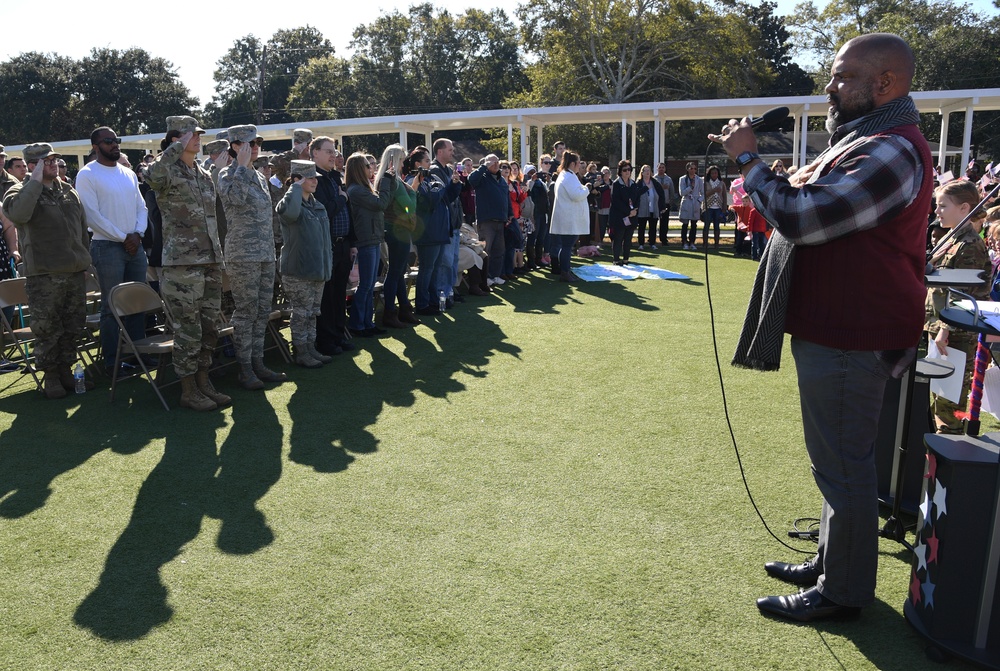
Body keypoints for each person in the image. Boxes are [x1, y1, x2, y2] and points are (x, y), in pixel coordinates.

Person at [715, 33, 934, 622]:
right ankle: (832, 561)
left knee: (843, 466)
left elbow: (805, 219)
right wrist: (771, 177)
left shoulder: (890, 148)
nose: (831, 88)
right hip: (844, 326)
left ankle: (842, 592)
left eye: (843, 77)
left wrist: (748, 162)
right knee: (839, 460)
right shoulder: (867, 141)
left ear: (884, 84)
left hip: (851, 331)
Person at [147, 115, 229, 411]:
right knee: (187, 329)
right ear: (174, 139)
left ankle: (203, 381)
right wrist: (173, 147)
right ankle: (187, 389)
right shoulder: (165, 171)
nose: (198, 137)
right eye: (191, 134)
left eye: (198, 133)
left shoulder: (202, 174)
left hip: (209, 260)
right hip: (182, 265)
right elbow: (152, 177)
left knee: (210, 327)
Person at [2, 143, 93, 399]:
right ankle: (51, 375)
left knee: (72, 326)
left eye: (54, 160)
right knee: (47, 329)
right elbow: (19, 215)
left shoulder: (68, 191)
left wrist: (84, 261)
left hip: (73, 271)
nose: (53, 164)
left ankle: (65, 370)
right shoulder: (19, 191)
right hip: (44, 275)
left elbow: (81, 229)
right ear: (32, 165)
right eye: (46, 161)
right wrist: (35, 181)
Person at [217, 124, 288, 388]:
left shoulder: (258, 175)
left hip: (264, 253)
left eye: (257, 142)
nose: (256, 146)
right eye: (250, 143)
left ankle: (258, 362)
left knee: (261, 311)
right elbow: (234, 199)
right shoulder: (227, 173)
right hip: (243, 255)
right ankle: (244, 369)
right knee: (245, 312)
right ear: (235, 146)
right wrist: (242, 167)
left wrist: (249, 169)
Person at [75, 127, 149, 377]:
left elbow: (142, 207)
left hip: (134, 245)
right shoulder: (87, 174)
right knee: (111, 306)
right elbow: (92, 216)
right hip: (107, 247)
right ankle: (111, 362)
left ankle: (139, 354)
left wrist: (137, 234)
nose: (115, 144)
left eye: (116, 140)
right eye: (108, 141)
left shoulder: (128, 173)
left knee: (137, 301)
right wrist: (124, 237)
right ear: (95, 146)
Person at [925, 180, 992, 433]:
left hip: (956, 333)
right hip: (941, 327)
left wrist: (944, 329)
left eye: (943, 205)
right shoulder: (950, 238)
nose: (937, 211)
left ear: (964, 208)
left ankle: (950, 447)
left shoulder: (969, 245)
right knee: (938, 393)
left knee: (949, 399)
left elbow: (964, 293)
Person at [275, 160, 332, 368]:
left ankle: (310, 348)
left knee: (313, 312)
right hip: (298, 271)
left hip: (317, 270)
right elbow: (288, 213)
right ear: (297, 180)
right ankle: (301, 351)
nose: (314, 181)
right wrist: (294, 188)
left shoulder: (317, 205)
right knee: (301, 313)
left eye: (315, 177)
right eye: (309, 177)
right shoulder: (290, 202)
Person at [309, 136, 355, 356]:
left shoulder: (336, 177)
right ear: (315, 153)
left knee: (339, 294)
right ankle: (326, 340)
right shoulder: (313, 179)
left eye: (334, 151)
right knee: (326, 296)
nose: (333, 155)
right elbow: (325, 210)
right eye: (328, 151)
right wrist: (342, 199)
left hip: (343, 244)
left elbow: (348, 213)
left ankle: (338, 334)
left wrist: (352, 242)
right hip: (325, 246)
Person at [345, 152, 394, 337]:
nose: (371, 168)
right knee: (365, 285)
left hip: (371, 239)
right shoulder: (356, 190)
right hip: (366, 240)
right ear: (359, 169)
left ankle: (367, 323)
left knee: (369, 284)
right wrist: (387, 180)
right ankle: (358, 324)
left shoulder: (361, 188)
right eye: (367, 165)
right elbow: (381, 204)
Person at [379, 144, 419, 328]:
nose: (404, 164)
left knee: (398, 272)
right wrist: (414, 191)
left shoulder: (389, 180)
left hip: (396, 230)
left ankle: (403, 309)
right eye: (402, 160)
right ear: (394, 160)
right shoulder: (393, 181)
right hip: (397, 230)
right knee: (395, 273)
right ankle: (391, 312)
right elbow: (409, 207)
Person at [468, 154, 512, 285]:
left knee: (499, 250)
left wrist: (509, 214)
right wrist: (484, 166)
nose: (496, 164)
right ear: (486, 164)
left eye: (497, 161)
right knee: (486, 251)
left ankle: (494, 276)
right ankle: (484, 278)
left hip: (501, 220)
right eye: (492, 162)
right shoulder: (482, 177)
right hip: (486, 220)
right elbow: (471, 179)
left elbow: (506, 198)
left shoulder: (502, 180)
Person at [548, 151, 590, 282]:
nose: (580, 166)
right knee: (567, 246)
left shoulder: (566, 175)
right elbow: (576, 195)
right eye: (578, 163)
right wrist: (587, 188)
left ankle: (564, 269)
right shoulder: (568, 176)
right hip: (568, 218)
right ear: (573, 164)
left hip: (567, 216)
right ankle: (564, 272)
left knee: (566, 245)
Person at [608, 160, 645, 266]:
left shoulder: (633, 183)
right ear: (620, 171)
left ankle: (626, 259)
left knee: (628, 238)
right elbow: (616, 201)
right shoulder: (616, 184)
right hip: (619, 216)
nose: (627, 172)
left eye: (629, 169)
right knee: (618, 238)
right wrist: (628, 211)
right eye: (625, 170)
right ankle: (616, 259)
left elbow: (637, 198)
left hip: (632, 216)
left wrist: (634, 210)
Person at [636, 164, 665, 250]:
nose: (647, 172)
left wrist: (662, 207)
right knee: (642, 227)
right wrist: (645, 188)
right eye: (645, 170)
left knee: (653, 227)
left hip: (653, 208)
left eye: (649, 170)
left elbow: (661, 195)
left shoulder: (655, 183)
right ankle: (641, 244)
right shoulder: (639, 183)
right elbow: (636, 194)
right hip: (642, 209)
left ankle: (652, 243)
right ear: (642, 172)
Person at [677, 162, 703, 250]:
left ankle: (692, 242)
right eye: (691, 168)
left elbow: (703, 193)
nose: (693, 170)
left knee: (694, 224)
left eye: (694, 169)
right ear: (687, 169)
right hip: (686, 201)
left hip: (695, 203)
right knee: (685, 224)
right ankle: (684, 242)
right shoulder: (683, 179)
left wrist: (699, 200)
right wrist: (690, 187)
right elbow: (682, 192)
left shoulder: (699, 180)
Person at [702, 165, 727, 250]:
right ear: (709, 174)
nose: (714, 175)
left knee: (717, 226)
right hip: (708, 207)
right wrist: (714, 190)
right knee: (707, 226)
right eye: (712, 173)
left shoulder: (721, 183)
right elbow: (704, 194)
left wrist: (724, 208)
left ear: (718, 174)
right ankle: (705, 243)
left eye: (715, 173)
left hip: (718, 207)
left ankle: (716, 244)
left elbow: (724, 195)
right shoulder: (706, 182)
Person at [654, 162, 675, 247]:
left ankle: (664, 239)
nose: (661, 169)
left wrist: (671, 201)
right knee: (654, 222)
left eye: (663, 167)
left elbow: (672, 191)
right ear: (657, 169)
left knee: (664, 222)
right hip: (655, 203)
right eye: (660, 167)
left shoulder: (668, 179)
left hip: (665, 203)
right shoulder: (654, 179)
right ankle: (652, 239)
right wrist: (661, 187)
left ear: (665, 169)